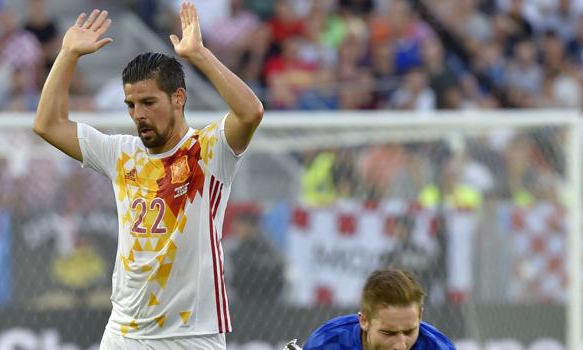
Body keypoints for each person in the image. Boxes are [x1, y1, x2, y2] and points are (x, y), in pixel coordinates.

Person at [32, 2, 264, 349]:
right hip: (125, 332)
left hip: (192, 333)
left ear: (178, 98)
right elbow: (47, 125)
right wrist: (67, 54)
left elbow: (251, 112)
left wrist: (198, 55)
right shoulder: (121, 153)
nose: (138, 114)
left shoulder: (209, 150)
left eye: (149, 103)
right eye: (131, 105)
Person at [303, 269, 455, 350]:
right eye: (388, 333)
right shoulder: (327, 343)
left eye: (409, 332)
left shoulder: (438, 348)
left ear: (420, 316)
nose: (401, 345)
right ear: (364, 320)